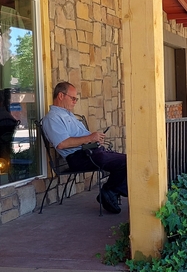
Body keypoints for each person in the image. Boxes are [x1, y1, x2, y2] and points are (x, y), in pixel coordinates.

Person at [41, 81, 127, 214]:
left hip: (90, 152)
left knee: (127, 161)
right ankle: (110, 192)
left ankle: (110, 192)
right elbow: (62, 143)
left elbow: (83, 137)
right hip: (79, 157)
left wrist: (95, 139)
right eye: (73, 98)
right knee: (126, 162)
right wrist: (90, 138)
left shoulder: (68, 115)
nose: (75, 102)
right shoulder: (52, 118)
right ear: (61, 96)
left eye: (76, 99)